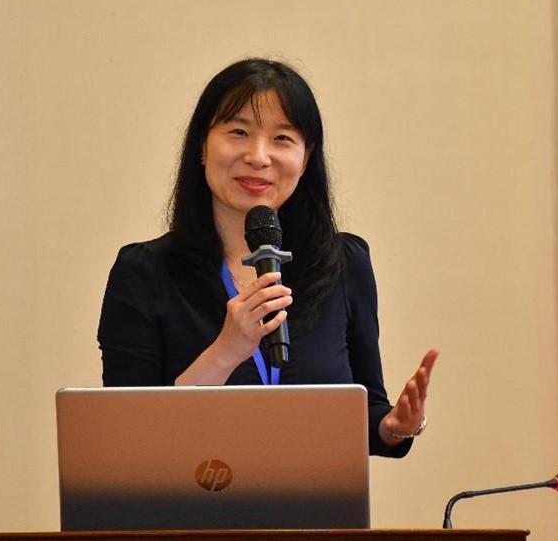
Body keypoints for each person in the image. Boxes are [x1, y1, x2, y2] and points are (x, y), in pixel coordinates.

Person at [98, 58, 438, 457]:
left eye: (282, 138)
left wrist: (394, 427)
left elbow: (365, 411)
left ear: (305, 158)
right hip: (196, 495)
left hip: (317, 497)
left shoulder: (345, 264)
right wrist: (225, 352)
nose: (259, 156)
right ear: (203, 146)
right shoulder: (143, 273)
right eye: (239, 132)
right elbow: (130, 439)